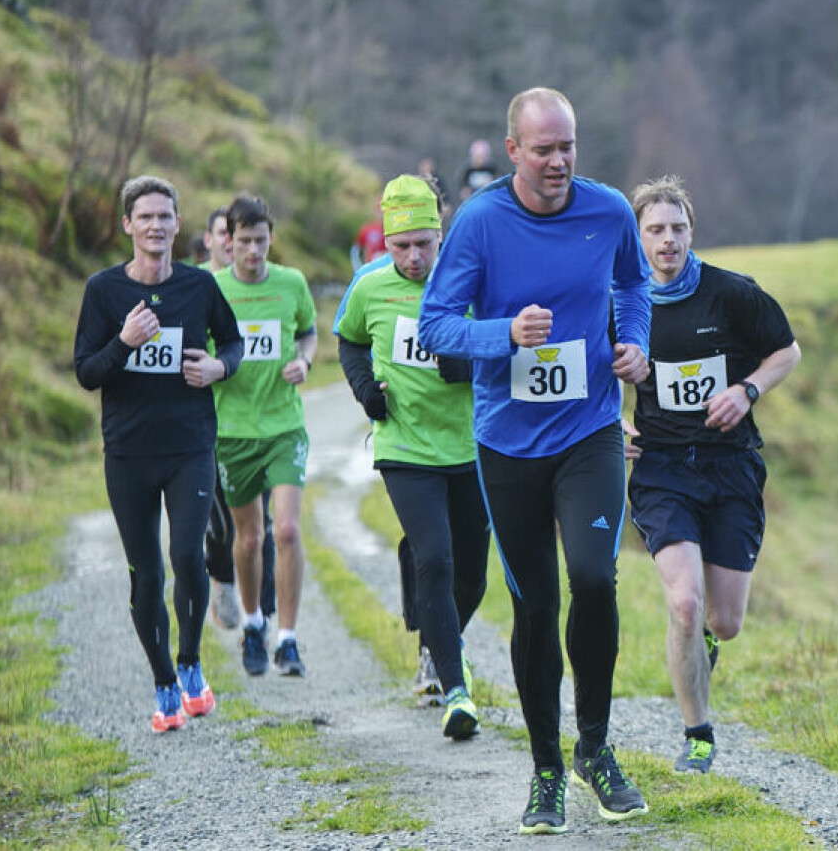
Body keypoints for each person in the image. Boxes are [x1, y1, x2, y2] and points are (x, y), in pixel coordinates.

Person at [419, 87, 652, 833]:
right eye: (544, 149)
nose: (559, 162)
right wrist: (503, 335)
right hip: (508, 443)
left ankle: (594, 749)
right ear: (512, 151)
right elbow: (436, 327)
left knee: (593, 576)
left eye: (568, 146)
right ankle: (547, 770)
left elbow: (634, 281)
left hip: (588, 431)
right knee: (535, 604)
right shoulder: (481, 223)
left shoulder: (609, 211)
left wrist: (636, 341)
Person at [626, 175, 801, 774]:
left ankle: (701, 643)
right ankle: (697, 735)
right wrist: (609, 426)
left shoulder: (732, 294)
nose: (667, 241)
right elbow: (591, 370)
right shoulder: (623, 301)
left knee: (723, 622)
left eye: (677, 229)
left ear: (691, 232)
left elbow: (787, 351)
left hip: (731, 468)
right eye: (655, 230)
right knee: (684, 602)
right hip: (662, 470)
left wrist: (748, 390)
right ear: (639, 236)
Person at [73, 175, 243, 733]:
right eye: (144, 217)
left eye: (164, 217)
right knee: (145, 575)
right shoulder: (104, 291)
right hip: (128, 453)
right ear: (128, 225)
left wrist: (218, 368)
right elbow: (85, 373)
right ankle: (164, 682)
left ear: (177, 223)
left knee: (188, 556)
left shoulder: (198, 286)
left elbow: (234, 343)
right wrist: (124, 341)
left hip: (190, 445)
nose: (155, 226)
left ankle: (192, 665)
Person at [337, 174, 490, 739]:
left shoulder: (473, 281)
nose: (413, 257)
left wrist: (468, 363)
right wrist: (364, 390)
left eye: (424, 243)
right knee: (436, 559)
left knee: (472, 576)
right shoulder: (370, 286)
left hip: (472, 445)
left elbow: (507, 344)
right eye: (401, 246)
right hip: (404, 445)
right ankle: (456, 691)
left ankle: (437, 640)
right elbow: (350, 340)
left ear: (441, 232)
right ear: (386, 243)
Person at [211, 195, 317, 677]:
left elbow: (309, 333)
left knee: (288, 530)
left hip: (283, 426)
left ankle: (288, 639)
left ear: (271, 238)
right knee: (249, 539)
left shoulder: (292, 282)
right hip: (233, 431)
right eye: (244, 241)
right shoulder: (211, 289)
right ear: (227, 242)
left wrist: (305, 360)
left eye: (261, 241)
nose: (254, 251)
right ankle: (253, 623)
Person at [200, 206, 276, 633]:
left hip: (260, 423)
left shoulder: (262, 285)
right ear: (212, 240)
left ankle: (261, 610)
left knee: (259, 519)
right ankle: (222, 577)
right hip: (210, 422)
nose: (234, 245)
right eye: (225, 236)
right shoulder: (198, 285)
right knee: (219, 518)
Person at [350, 198, 387, 271]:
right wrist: (358, 269)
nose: (382, 212)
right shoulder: (367, 229)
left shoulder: (397, 230)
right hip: (371, 271)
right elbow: (355, 251)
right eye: (379, 209)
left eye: (384, 210)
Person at [456, 138, 498, 205]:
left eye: (482, 157)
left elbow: (497, 183)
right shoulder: (468, 170)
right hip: (473, 200)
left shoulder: (492, 169)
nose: (480, 160)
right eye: (477, 157)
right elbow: (463, 187)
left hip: (488, 200)